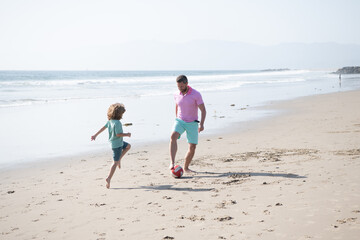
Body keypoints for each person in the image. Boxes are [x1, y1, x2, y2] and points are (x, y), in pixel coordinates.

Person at [169, 75, 206, 173]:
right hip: (180, 121)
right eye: (178, 87)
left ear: (186, 84)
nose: (180, 89)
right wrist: (177, 117)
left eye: (181, 86)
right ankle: (172, 163)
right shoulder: (176, 94)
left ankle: (186, 167)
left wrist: (201, 124)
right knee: (173, 136)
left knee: (192, 147)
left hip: (192, 123)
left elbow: (203, 110)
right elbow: (177, 105)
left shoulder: (196, 94)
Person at [91, 103, 131, 189]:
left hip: (114, 143)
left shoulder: (110, 121)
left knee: (128, 146)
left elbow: (102, 128)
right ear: (119, 114)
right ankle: (109, 178)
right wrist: (127, 134)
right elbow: (118, 134)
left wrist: (95, 135)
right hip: (117, 145)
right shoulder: (118, 123)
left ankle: (119, 158)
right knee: (114, 163)